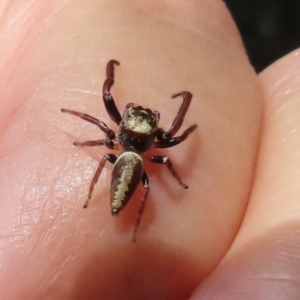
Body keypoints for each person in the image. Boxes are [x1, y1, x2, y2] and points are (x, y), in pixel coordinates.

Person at [0, 1, 299, 299]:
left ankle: (99, 199)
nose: (135, 115)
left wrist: (83, 137)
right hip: (134, 166)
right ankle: (119, 211)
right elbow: (175, 136)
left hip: (124, 161)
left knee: (107, 158)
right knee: (140, 185)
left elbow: (105, 104)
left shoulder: (114, 140)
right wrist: (186, 139)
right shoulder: (157, 147)